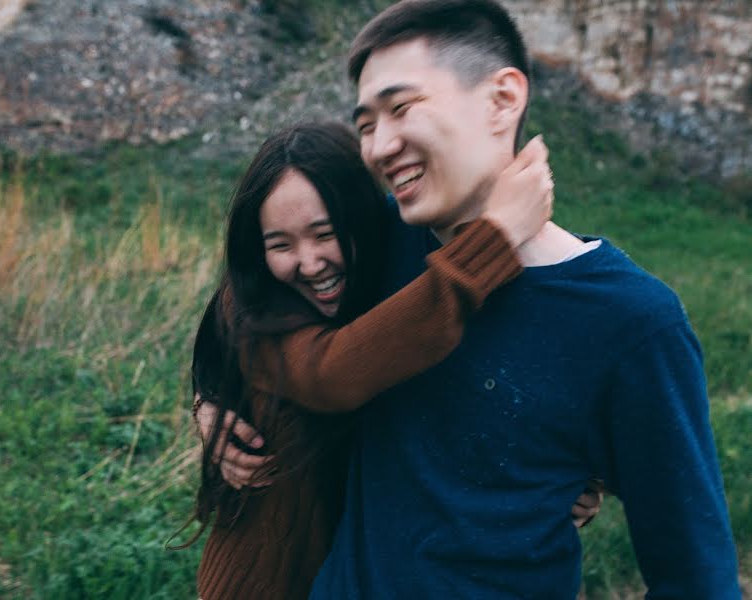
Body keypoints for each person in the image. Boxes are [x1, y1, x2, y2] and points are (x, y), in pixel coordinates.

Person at [304, 1, 740, 598]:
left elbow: (694, 573)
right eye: (365, 125)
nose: (380, 147)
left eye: (401, 108)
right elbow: (257, 313)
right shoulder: (377, 247)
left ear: (503, 99)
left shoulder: (632, 321)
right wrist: (215, 396)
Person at [186, 121, 599, 599]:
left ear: (362, 219)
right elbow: (332, 372)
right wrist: (497, 236)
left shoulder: (405, 298)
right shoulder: (258, 313)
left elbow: (485, 386)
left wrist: (567, 477)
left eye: (325, 233)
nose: (309, 262)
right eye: (280, 244)